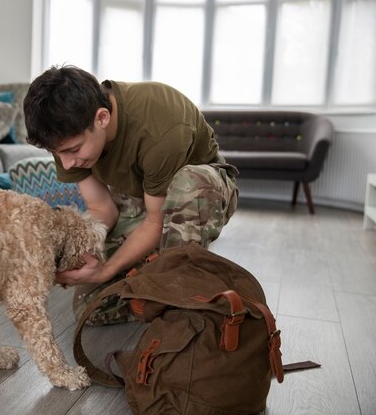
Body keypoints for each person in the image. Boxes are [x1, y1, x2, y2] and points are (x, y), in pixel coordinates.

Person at [23, 65, 238, 325]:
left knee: (189, 183)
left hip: (199, 193)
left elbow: (155, 221)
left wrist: (107, 271)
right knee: (90, 310)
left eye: (73, 150)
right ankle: (161, 278)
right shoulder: (64, 136)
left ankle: (179, 285)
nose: (66, 164)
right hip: (137, 198)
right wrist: (82, 256)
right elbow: (102, 209)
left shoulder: (160, 123)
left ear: (101, 118)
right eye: (58, 154)